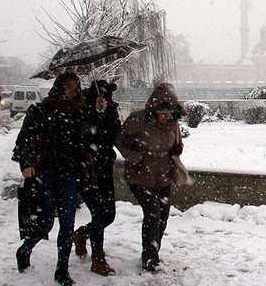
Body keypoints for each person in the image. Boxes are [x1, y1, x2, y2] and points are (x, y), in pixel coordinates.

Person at [12, 72, 92, 286]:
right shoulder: (41, 110)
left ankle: (62, 269)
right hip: (44, 174)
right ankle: (25, 249)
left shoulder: (80, 113)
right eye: (67, 86)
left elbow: (84, 142)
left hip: (68, 175)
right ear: (58, 87)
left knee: (67, 225)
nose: (71, 91)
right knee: (45, 222)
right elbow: (25, 139)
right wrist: (26, 164)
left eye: (75, 87)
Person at [115, 83, 184, 272]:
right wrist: (137, 157)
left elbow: (176, 143)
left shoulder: (173, 123)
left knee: (163, 215)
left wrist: (178, 149)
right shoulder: (137, 120)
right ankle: (149, 257)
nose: (166, 116)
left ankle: (154, 251)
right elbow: (120, 140)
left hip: (163, 175)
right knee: (153, 212)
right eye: (162, 112)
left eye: (169, 112)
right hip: (139, 176)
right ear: (153, 109)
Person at [72, 80, 121, 276]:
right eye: (101, 96)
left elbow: (114, 135)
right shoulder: (81, 111)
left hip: (105, 169)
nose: (105, 99)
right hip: (86, 171)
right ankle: (98, 258)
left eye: (108, 96)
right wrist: (94, 115)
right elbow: (79, 137)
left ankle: (82, 233)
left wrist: (107, 115)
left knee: (109, 215)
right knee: (100, 213)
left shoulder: (110, 111)